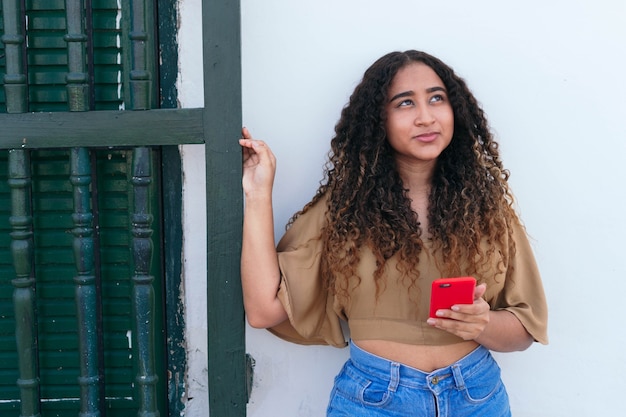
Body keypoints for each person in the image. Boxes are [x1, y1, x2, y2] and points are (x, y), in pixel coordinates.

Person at [239, 50, 548, 416]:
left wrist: (483, 323)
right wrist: (259, 194)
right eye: (405, 103)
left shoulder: (487, 210)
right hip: (374, 402)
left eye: (437, 98)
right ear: (378, 120)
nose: (426, 116)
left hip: (477, 397)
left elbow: (525, 329)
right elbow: (262, 310)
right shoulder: (343, 211)